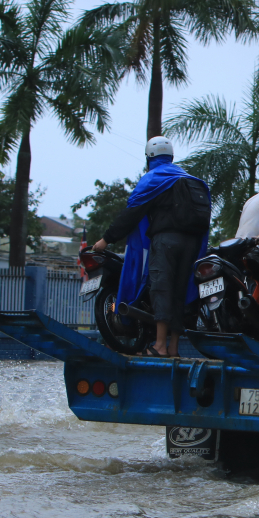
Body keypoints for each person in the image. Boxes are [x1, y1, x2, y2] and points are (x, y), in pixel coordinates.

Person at [93, 136, 211, 357]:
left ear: (149, 158)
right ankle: (174, 347)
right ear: (172, 157)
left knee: (161, 288)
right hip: (193, 243)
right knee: (181, 291)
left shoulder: (153, 178)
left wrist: (106, 239)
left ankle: (159, 345)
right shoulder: (188, 179)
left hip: (166, 241)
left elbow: (132, 213)